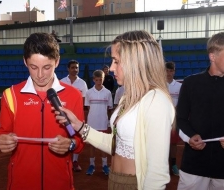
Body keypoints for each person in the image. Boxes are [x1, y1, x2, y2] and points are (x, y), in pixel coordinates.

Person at [54, 30, 175, 189]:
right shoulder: (128, 96)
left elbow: (157, 174)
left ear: (135, 61)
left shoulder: (155, 100)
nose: (111, 68)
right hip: (117, 180)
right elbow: (116, 144)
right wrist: (79, 126)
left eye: (116, 61)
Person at [0, 32, 85, 190]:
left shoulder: (74, 95)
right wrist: (1, 141)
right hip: (21, 184)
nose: (40, 75)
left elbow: (79, 140)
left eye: (47, 67)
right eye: (33, 67)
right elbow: (0, 135)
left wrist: (70, 144)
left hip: (60, 183)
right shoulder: (10, 95)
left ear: (57, 62)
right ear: (25, 62)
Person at [177, 32, 224, 190]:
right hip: (194, 163)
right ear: (212, 56)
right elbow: (181, 119)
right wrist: (191, 135)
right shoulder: (191, 83)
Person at [60, 59, 88, 172]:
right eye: (73, 67)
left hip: (77, 116)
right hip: (63, 115)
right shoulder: (61, 82)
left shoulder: (82, 83)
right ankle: (64, 161)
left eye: (77, 67)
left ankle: (75, 161)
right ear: (68, 69)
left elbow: (84, 101)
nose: (75, 70)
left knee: (76, 137)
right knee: (64, 136)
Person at [84, 70, 113, 176]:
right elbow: (87, 108)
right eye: (97, 80)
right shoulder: (88, 92)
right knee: (91, 145)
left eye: (100, 79)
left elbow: (109, 109)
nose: (99, 81)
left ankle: (104, 165)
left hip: (103, 122)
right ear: (93, 80)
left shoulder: (108, 93)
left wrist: (109, 122)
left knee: (102, 144)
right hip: (92, 123)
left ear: (103, 79)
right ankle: (92, 165)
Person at [165, 61, 182, 176]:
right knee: (163, 142)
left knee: (174, 143)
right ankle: (164, 166)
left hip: (175, 119)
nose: (169, 73)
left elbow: (182, 102)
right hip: (162, 119)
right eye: (167, 70)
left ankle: (174, 164)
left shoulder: (179, 86)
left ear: (174, 72)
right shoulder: (160, 85)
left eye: (171, 71)